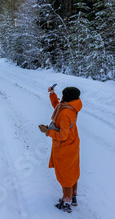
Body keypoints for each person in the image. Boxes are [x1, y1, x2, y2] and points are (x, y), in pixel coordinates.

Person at [38, 85, 82, 213]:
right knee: (72, 171)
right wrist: (52, 94)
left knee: (65, 176)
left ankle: (66, 203)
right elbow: (58, 105)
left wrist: (48, 131)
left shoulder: (64, 113)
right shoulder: (72, 106)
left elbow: (63, 135)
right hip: (73, 144)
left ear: (66, 97)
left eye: (63, 95)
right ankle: (73, 198)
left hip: (65, 148)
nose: (61, 97)